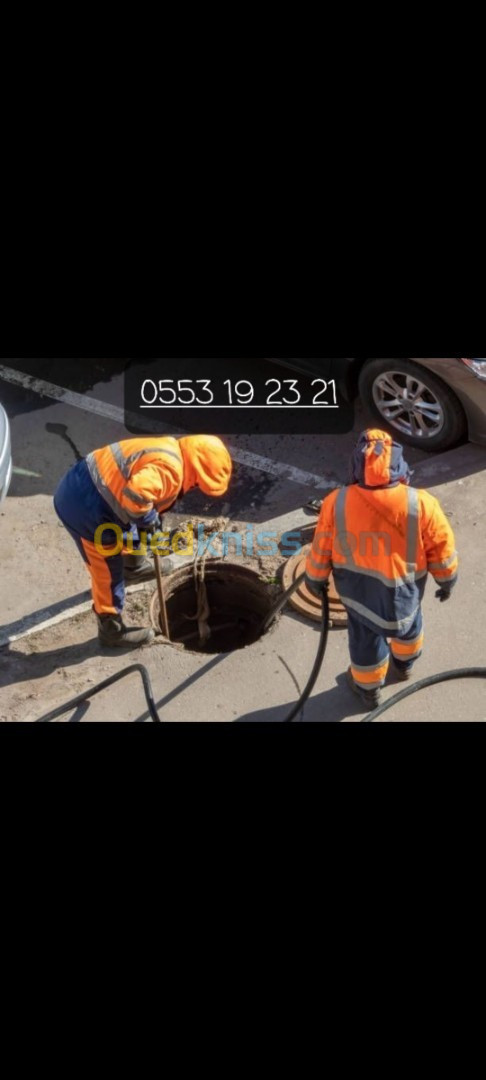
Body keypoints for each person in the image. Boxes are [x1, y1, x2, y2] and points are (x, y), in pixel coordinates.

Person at [305, 429, 458, 708]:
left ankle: (369, 690)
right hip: (405, 592)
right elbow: (441, 545)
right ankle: (405, 665)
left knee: (366, 641)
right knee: (409, 627)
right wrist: (447, 580)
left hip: (358, 593)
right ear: (399, 466)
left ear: (356, 466)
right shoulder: (420, 501)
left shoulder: (336, 501)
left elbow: (322, 545)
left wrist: (315, 578)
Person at [54, 435, 232, 647]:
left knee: (130, 528)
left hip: (90, 486)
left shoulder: (169, 447)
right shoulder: (171, 470)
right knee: (107, 572)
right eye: (197, 484)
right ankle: (111, 629)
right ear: (195, 471)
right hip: (86, 508)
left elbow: (138, 498)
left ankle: (134, 568)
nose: (194, 488)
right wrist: (150, 521)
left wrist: (149, 524)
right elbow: (137, 496)